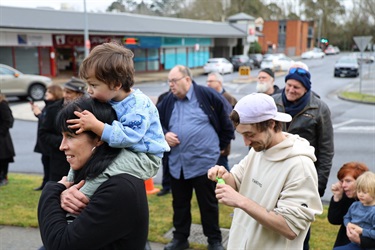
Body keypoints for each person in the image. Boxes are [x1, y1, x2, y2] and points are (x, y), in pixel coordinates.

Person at [207, 93, 323, 249]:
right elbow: (236, 183)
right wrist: (223, 175)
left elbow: (290, 228)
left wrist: (241, 201)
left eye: (250, 134)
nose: (246, 142)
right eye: (242, 134)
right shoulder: (258, 150)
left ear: (272, 124)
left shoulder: (299, 166)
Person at [38, 97, 148, 249]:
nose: (62, 146)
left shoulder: (120, 188)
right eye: (62, 136)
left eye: (70, 136)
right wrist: (61, 194)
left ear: (99, 138)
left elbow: (61, 245)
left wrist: (51, 192)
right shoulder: (92, 172)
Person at [66, 42, 169, 199]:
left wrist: (96, 125)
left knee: (107, 168)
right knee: (88, 157)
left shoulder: (138, 104)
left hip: (145, 158)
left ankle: (79, 199)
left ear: (116, 85)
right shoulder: (109, 99)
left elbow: (129, 137)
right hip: (123, 151)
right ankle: (68, 182)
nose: (89, 90)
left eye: (94, 85)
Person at [157, 65, 234, 250]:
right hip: (178, 165)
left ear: (187, 80)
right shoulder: (167, 101)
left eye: (174, 81)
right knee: (180, 205)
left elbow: (227, 120)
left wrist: (220, 147)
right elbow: (155, 125)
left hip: (204, 164)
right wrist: (165, 135)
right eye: (169, 81)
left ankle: (214, 241)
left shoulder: (207, 96)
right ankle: (180, 239)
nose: (171, 85)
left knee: (208, 205)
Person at [272, 66, 334, 249]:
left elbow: (326, 149)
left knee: (298, 228)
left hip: (302, 176)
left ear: (306, 88)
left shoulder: (319, 108)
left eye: (296, 87)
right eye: (288, 85)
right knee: (271, 222)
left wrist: (319, 185)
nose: (290, 90)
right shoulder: (272, 102)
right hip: (274, 172)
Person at [39, 77, 86, 182]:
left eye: (69, 92)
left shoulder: (89, 110)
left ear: (80, 94)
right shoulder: (53, 109)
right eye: (64, 91)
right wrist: (67, 141)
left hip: (82, 162)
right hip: (59, 161)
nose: (65, 95)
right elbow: (43, 133)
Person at [328, 162, 375, 248]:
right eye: (342, 181)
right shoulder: (348, 198)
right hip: (346, 242)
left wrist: (360, 240)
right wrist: (337, 197)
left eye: (348, 181)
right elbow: (334, 220)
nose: (343, 185)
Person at [31, 85, 63, 190]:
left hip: (51, 143)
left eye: (49, 92)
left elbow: (47, 123)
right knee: (45, 162)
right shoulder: (48, 106)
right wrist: (38, 114)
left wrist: (39, 115)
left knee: (51, 165)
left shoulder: (54, 108)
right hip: (45, 143)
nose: (46, 94)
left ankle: (48, 185)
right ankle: (45, 184)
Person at [206, 72, 237, 171]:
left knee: (222, 170)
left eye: (211, 81)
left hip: (222, 144)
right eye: (207, 81)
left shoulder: (228, 98)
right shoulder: (208, 96)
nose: (208, 84)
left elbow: (234, 121)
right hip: (209, 142)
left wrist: (224, 142)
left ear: (219, 82)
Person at [156, 89, 172, 196]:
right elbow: (156, 118)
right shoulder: (164, 97)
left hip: (181, 139)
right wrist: (165, 133)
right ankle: (166, 186)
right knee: (166, 163)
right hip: (165, 138)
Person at [0, 92, 15, 186]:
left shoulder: (2, 104)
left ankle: (3, 177)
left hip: (2, 137)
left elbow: (9, 120)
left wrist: (1, 132)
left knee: (2, 159)